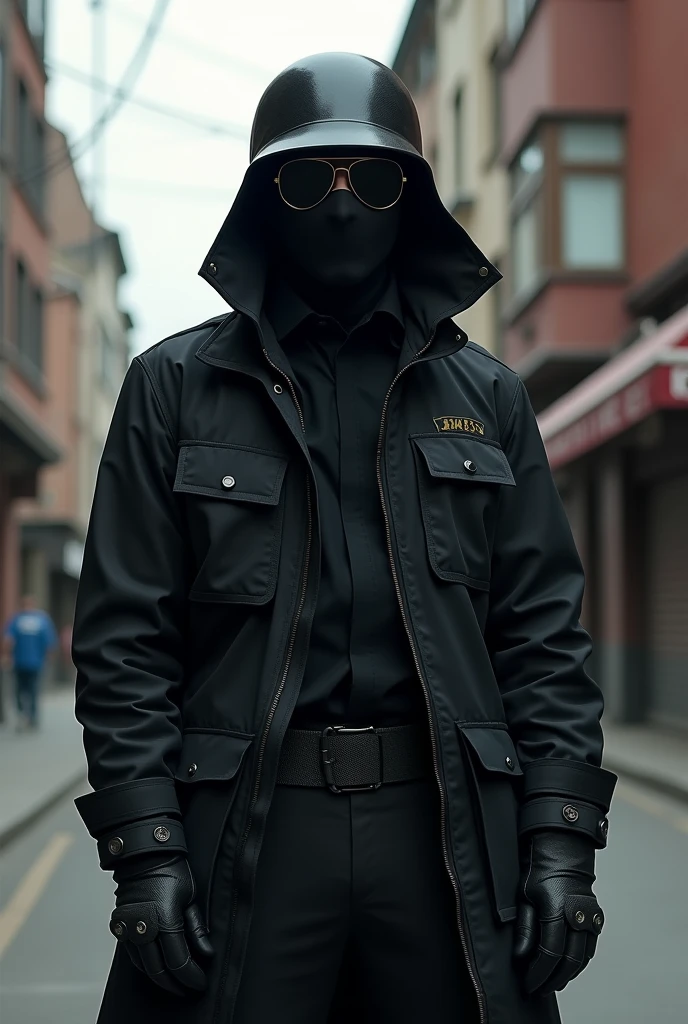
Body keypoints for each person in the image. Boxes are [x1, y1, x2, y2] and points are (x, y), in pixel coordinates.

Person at [72, 53, 617, 1024]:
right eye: (303, 176)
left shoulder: (487, 397)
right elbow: (125, 641)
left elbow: (541, 635)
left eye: (370, 177)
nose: (337, 204)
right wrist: (147, 847)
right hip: (249, 828)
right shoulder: (173, 387)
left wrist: (562, 835)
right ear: (259, 198)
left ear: (410, 196)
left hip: (442, 826)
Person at [2, 594, 57, 731]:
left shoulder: (17, 619)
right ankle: (29, 717)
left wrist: (6, 655)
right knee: (29, 690)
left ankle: (26, 716)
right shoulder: (41, 620)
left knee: (23, 690)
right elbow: (49, 642)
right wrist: (49, 658)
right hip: (30, 663)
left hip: (26, 662)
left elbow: (8, 640)